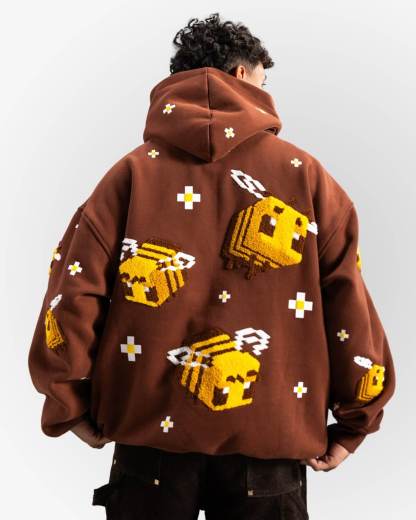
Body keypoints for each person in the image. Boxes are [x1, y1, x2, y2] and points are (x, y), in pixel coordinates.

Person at [28, 12, 396, 519]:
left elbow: (73, 292)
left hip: (149, 444)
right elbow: (348, 300)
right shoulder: (305, 176)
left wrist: (68, 400)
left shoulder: (130, 175)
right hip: (269, 444)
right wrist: (357, 419)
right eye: (263, 83)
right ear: (242, 75)